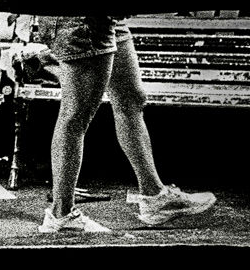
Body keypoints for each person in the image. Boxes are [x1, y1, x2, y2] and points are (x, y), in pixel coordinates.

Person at [39, 15, 216, 232]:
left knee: (130, 98)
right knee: (76, 114)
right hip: (82, 16)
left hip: (106, 18)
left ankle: (154, 197)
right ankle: (62, 215)